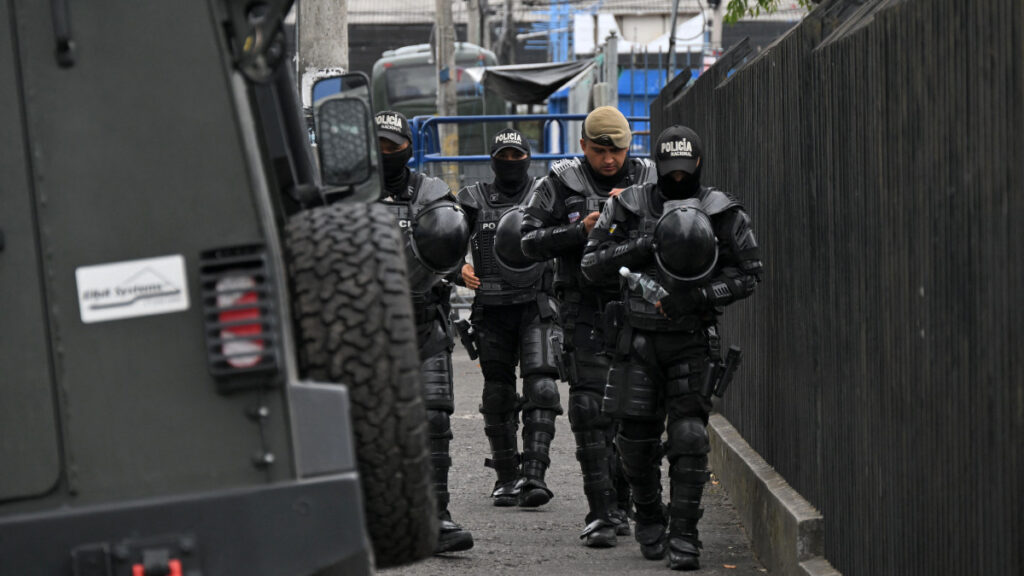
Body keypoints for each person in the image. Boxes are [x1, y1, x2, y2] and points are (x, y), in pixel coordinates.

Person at [580, 125, 763, 570]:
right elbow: (591, 265)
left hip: (690, 339)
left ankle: (685, 534)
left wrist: (700, 295)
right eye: (669, 169)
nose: (678, 178)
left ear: (697, 163)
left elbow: (750, 272)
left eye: (685, 169)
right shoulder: (627, 204)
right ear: (657, 164)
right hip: (637, 337)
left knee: (689, 436)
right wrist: (642, 245)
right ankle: (648, 517)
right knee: (634, 441)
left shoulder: (721, 210)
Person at [520, 106, 657, 547]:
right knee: (587, 410)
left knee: (634, 412)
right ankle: (600, 511)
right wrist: (579, 229)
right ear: (583, 147)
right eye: (600, 151)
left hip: (639, 308)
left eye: (617, 150)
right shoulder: (559, 183)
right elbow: (527, 240)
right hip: (583, 309)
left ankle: (624, 503)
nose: (610, 159)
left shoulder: (650, 180)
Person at [374, 110, 474, 554]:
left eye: (392, 146)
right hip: (367, 327)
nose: (385, 153)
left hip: (423, 319)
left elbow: (450, 245)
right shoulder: (345, 193)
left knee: (434, 418)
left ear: (408, 149)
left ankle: (437, 515)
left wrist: (451, 269)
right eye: (377, 145)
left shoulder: (431, 193)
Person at [455, 129, 563, 509]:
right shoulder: (473, 200)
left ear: (528, 158)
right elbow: (444, 242)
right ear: (493, 160)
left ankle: (534, 475)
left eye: (517, 154)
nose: (510, 161)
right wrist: (458, 271)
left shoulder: (548, 193)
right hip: (493, 308)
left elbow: (569, 236)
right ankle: (505, 477)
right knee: (497, 392)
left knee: (544, 389)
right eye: (504, 155)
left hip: (536, 303)